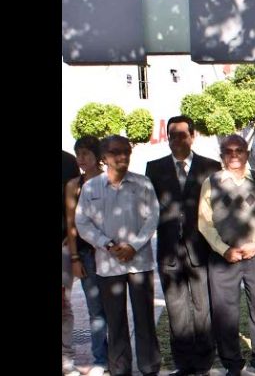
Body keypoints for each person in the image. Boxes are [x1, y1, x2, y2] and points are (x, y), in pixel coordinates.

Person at [198, 134, 255, 376]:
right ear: (222, 155)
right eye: (228, 151)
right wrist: (223, 249)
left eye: (239, 150)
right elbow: (204, 223)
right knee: (225, 313)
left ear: (247, 153)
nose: (234, 155)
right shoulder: (211, 183)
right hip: (224, 258)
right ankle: (232, 363)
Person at [75, 135, 162, 376]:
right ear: (104, 157)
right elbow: (82, 223)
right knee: (115, 321)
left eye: (126, 151)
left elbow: (153, 217)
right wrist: (107, 245)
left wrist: (134, 245)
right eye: (115, 152)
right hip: (107, 263)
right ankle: (120, 368)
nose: (122, 156)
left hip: (140, 263)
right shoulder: (91, 188)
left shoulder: (142, 183)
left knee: (145, 318)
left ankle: (149, 367)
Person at [145, 115, 222, 376]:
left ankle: (204, 363)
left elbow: (218, 209)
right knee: (176, 309)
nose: (176, 140)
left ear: (192, 136)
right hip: (168, 250)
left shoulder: (210, 167)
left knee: (203, 309)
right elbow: (149, 208)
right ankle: (184, 363)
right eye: (172, 135)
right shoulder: (154, 168)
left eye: (182, 135)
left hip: (201, 248)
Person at [64, 137, 109, 376]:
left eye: (86, 154)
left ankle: (119, 355)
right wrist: (74, 258)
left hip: (110, 254)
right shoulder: (74, 185)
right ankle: (101, 358)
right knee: (95, 309)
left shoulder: (110, 179)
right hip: (85, 253)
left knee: (115, 307)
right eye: (78, 154)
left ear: (97, 155)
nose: (81, 159)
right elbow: (71, 224)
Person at [62, 149, 81, 376]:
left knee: (63, 304)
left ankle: (65, 357)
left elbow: (76, 201)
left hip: (62, 243)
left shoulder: (67, 161)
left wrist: (71, 231)